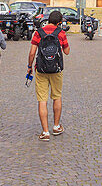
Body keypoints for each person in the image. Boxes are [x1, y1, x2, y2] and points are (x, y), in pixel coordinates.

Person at [29, 9, 70, 140]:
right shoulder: (61, 33)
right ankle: (56, 126)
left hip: (41, 69)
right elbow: (67, 51)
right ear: (59, 22)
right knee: (57, 96)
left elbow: (32, 53)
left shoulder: (38, 33)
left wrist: (29, 67)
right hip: (56, 69)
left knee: (42, 99)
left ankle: (45, 132)